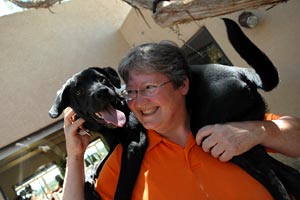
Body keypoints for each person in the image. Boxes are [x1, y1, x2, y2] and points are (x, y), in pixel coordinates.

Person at [62, 42, 300, 200]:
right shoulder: (123, 162)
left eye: (149, 87)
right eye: (131, 92)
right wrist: (74, 157)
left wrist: (258, 132)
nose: (139, 101)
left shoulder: (230, 124)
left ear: (183, 84)